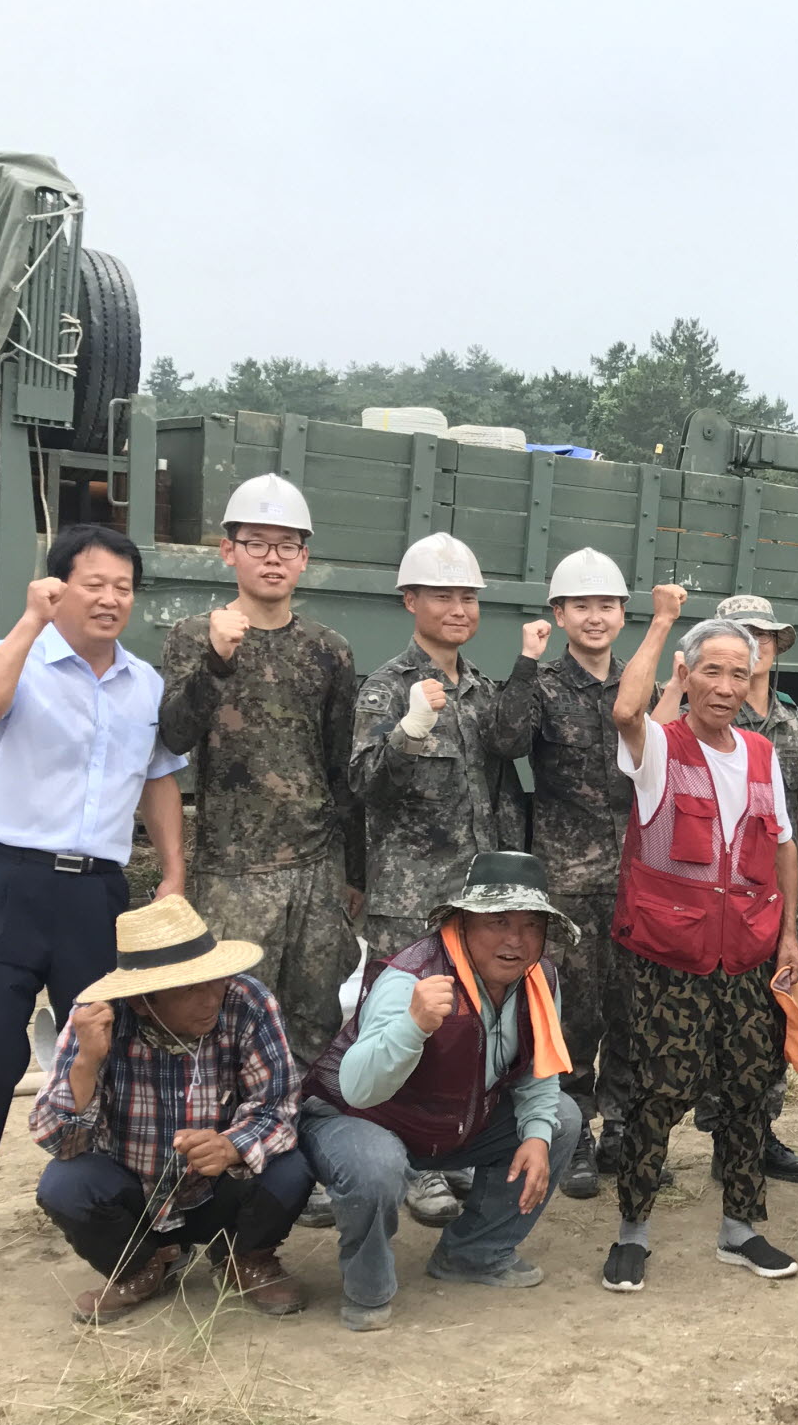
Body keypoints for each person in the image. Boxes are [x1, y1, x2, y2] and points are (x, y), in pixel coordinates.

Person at [0, 524, 187, 1279]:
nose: (110, 599)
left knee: (114, 1053)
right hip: (4, 883)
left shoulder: (145, 685)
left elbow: (159, 778)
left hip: (95, 895)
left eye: (123, 587)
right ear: (59, 585)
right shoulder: (12, 654)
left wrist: (173, 870)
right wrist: (30, 622)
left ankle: (118, 1215)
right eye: (94, 584)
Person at [602, 587, 798, 1293]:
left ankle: (740, 1228)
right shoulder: (659, 746)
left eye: (738, 674)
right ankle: (632, 1231)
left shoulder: (761, 752)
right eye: (711, 671)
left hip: (748, 955)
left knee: (750, 1092)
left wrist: (789, 936)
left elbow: (783, 846)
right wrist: (662, 622)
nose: (725, 686)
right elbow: (625, 711)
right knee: (656, 1094)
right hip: (672, 957)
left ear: (752, 683)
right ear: (686, 676)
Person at [298, 853, 585, 1332]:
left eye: (532, 925)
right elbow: (357, 1089)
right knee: (375, 1165)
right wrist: (414, 1025)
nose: (516, 940)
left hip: (451, 1124)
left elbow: (540, 1071)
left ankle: (474, 1254)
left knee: (562, 1118)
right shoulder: (411, 979)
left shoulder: (540, 979)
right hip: (361, 1120)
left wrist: (537, 1135)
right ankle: (368, 1288)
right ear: (462, 923)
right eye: (499, 922)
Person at [350, 531, 527, 1226]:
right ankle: (407, 1162)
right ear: (410, 601)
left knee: (468, 1034)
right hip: (410, 902)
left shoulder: (484, 691)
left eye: (468, 597)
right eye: (442, 595)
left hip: (474, 903)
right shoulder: (386, 688)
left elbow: (503, 791)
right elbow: (364, 783)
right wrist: (411, 726)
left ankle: (452, 1151)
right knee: (406, 1031)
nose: (458, 608)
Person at [157, 474, 364, 1066]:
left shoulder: (328, 648)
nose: (272, 558)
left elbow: (342, 766)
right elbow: (173, 735)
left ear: (304, 559)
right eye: (256, 543)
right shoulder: (194, 637)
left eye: (287, 546)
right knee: (229, 1020)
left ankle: (305, 1125)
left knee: (316, 1023)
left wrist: (354, 869)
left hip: (315, 869)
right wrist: (216, 660)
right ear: (229, 551)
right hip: (233, 871)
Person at [31, 895, 309, 1324]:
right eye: (189, 990)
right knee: (64, 1185)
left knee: (291, 1167)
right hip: (136, 1194)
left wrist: (230, 1146)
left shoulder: (247, 1001)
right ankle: (142, 1268)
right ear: (142, 1002)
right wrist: (86, 1063)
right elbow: (56, 1141)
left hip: (220, 1188)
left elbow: (279, 1108)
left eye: (214, 981)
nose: (210, 1000)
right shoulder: (97, 1020)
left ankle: (244, 1257)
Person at [646, 592, 798, 1186]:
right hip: (699, 900)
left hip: (768, 897)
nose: (758, 645)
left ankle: (752, 1136)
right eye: (746, 634)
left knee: (767, 1022)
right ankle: (656, 1143)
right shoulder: (694, 714)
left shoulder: (791, 723)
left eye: (766, 637)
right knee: (683, 1031)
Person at [483, 548, 645, 1200]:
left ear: (623, 614)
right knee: (570, 1014)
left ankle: (624, 1130)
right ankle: (573, 1133)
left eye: (606, 604)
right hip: (569, 882)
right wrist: (525, 662)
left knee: (632, 1009)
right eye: (581, 605)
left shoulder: (639, 684)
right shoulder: (545, 685)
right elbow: (504, 741)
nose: (595, 616)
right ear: (559, 614)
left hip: (637, 880)